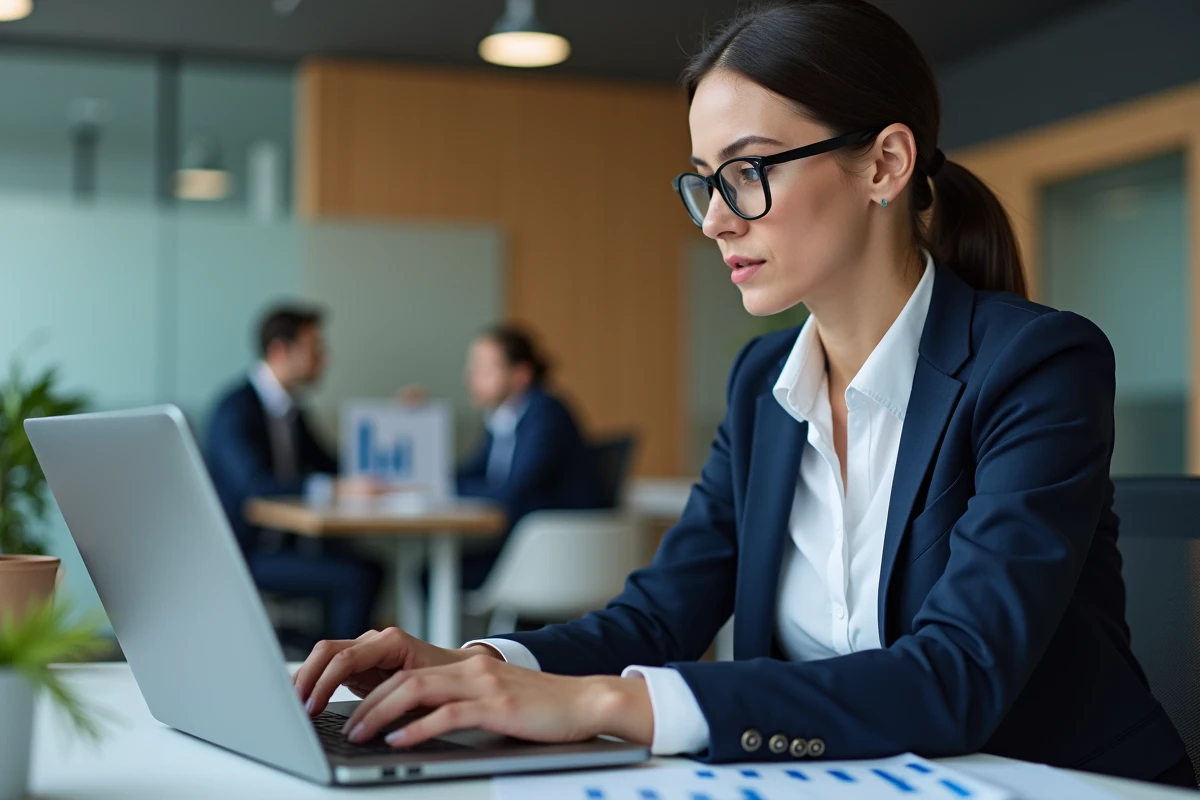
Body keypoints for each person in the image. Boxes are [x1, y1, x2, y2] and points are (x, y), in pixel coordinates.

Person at [291, 0, 1195, 787]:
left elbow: (954, 676)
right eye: (704, 181)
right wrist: (479, 662)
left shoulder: (1037, 364)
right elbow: (658, 614)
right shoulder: (764, 384)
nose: (717, 217)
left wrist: (607, 702)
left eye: (748, 171)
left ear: (884, 164)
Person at [207, 304, 383, 642]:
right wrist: (336, 489)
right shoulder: (235, 409)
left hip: (290, 544)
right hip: (244, 553)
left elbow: (333, 466)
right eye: (314, 348)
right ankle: (341, 671)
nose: (324, 358)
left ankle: (330, 658)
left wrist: (400, 421)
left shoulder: (292, 411)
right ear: (280, 351)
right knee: (358, 576)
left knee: (368, 567)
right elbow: (254, 485)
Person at [453, 325, 605, 589]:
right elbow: (471, 472)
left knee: (437, 576)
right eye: (473, 369)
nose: (472, 378)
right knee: (432, 573)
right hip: (525, 544)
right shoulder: (502, 418)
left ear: (520, 374)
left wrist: (454, 489)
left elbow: (514, 490)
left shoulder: (545, 415)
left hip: (555, 556)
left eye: (485, 369)